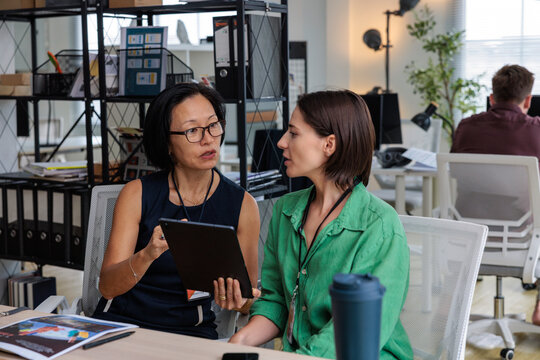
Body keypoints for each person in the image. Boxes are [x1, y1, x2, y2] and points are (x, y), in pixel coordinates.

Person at [222, 90, 413, 359]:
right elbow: (276, 301)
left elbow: (357, 332)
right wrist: (239, 342)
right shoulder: (285, 211)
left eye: (293, 133)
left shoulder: (379, 225)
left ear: (329, 144)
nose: (281, 142)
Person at [92, 83, 260, 339]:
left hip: (190, 334)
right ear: (167, 143)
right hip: (121, 326)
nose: (207, 139)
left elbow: (246, 300)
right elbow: (107, 287)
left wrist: (238, 300)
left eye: (213, 125)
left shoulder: (243, 205)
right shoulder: (136, 194)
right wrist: (147, 254)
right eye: (192, 130)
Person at [450, 64, 540, 326]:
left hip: (470, 239)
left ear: (492, 98)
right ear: (528, 100)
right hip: (522, 242)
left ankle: (453, 311)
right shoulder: (536, 130)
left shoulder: (466, 128)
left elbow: (456, 172)